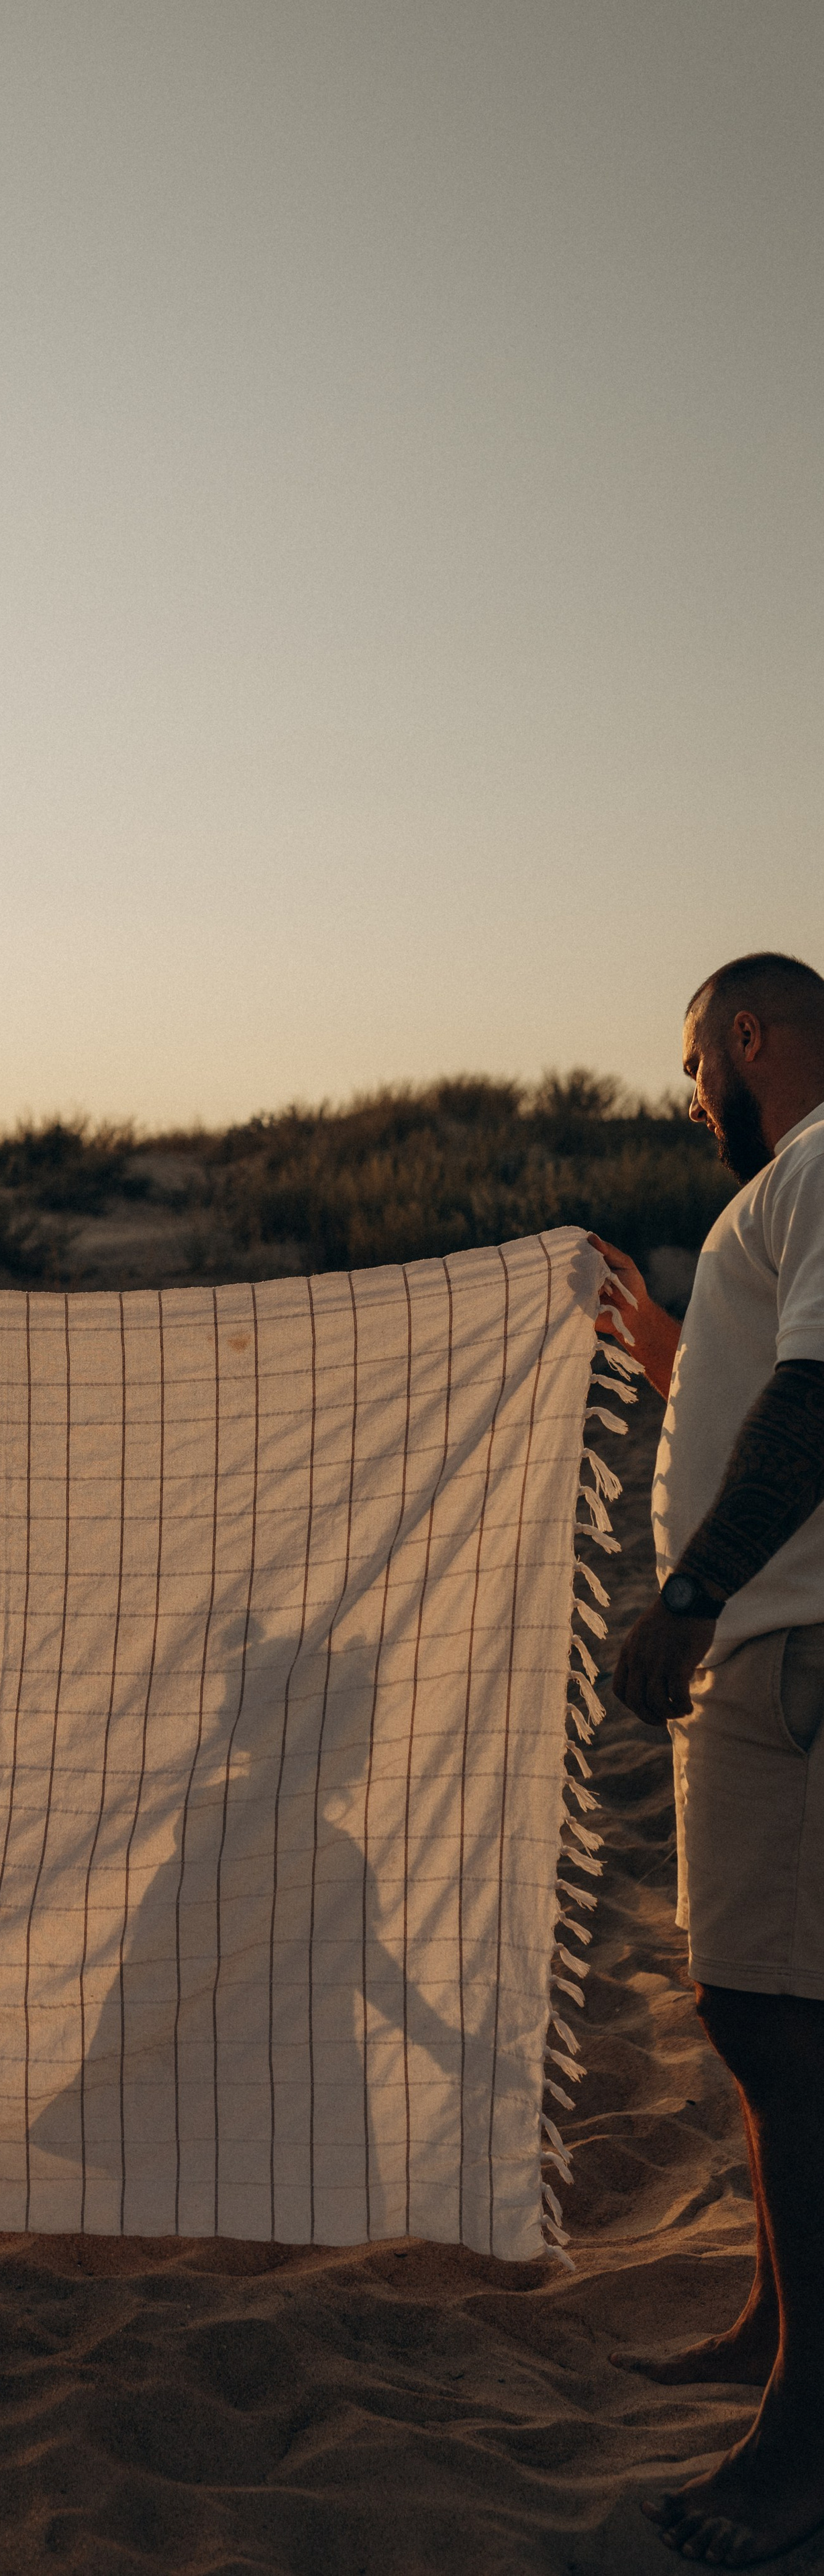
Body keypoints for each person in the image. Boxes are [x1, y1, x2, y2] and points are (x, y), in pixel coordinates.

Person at [592, 951, 824, 2569]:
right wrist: (671, 1351)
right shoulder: (790, 1195)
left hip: (785, 1648)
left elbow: (817, 1402)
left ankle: (807, 2432)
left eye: (694, 1064)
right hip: (769, 1642)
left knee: (778, 2018)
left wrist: (687, 1593)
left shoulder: (821, 1160)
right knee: (759, 2002)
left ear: (747, 1033)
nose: (691, 1102)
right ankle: (771, 2321)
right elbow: (760, 1390)